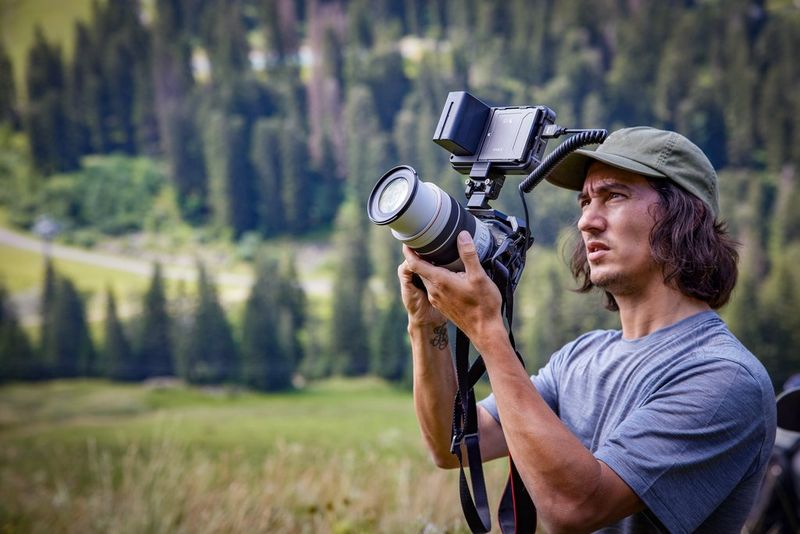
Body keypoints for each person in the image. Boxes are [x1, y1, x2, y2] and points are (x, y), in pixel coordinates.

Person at [399, 127, 777, 533]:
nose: (586, 221)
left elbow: (575, 507)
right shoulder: (583, 356)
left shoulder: (724, 378)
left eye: (614, 196)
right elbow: (453, 445)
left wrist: (488, 332)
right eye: (584, 201)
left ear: (685, 216)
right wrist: (426, 322)